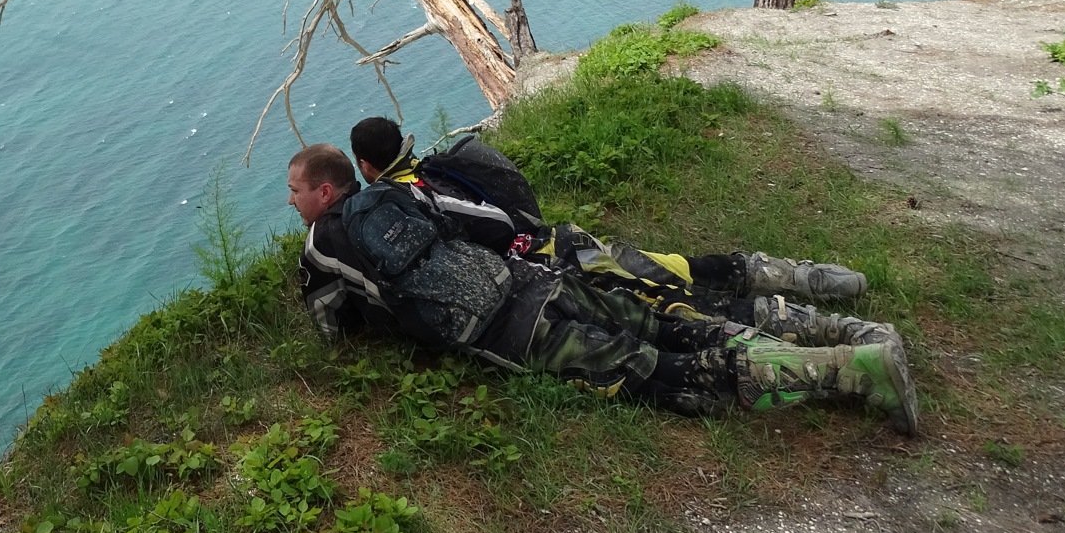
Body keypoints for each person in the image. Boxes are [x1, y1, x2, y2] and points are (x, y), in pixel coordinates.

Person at [289, 143, 918, 433]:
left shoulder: (322, 243)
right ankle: (842, 337)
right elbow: (489, 227)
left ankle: (850, 370)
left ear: (324, 191)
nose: (290, 202)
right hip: (535, 278)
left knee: (673, 375)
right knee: (675, 315)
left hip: (516, 333)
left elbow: (333, 328)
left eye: (293, 192)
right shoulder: (399, 196)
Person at [349, 116, 879, 345]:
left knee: (670, 304)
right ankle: (804, 277)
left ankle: (822, 327)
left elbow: (500, 226)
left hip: (549, 263)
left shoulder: (412, 194)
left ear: (367, 165)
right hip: (565, 238)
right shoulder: (438, 165)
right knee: (673, 267)